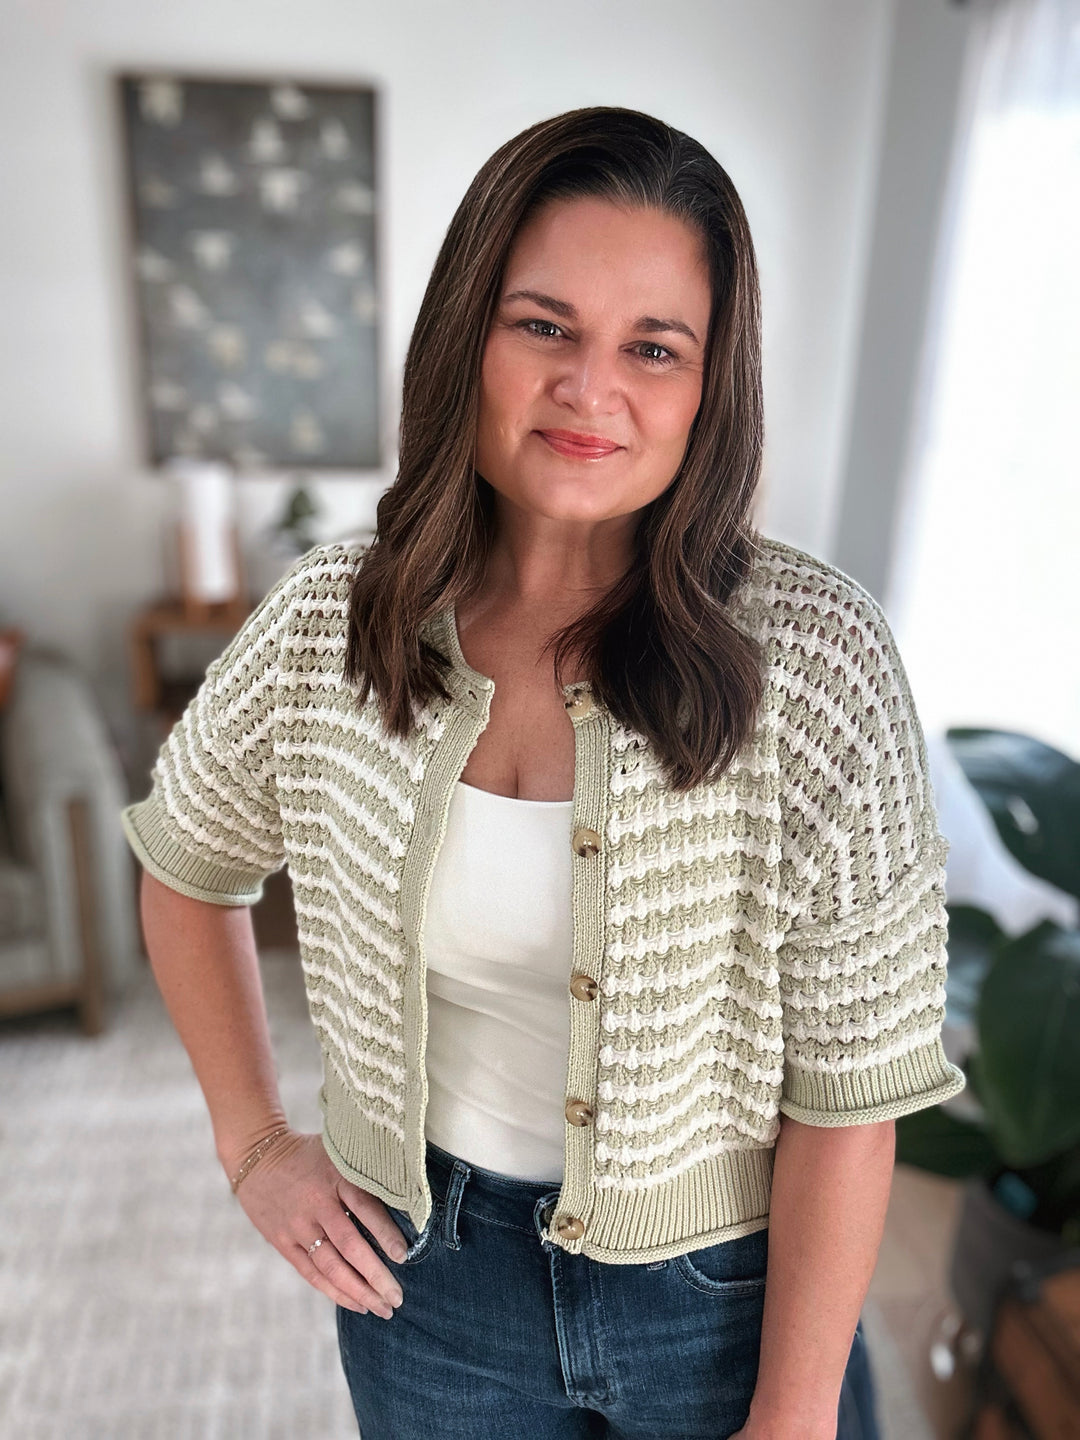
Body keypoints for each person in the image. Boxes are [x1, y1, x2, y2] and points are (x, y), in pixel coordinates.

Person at [121, 106, 965, 1439]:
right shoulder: (336, 619)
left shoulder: (816, 662)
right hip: (431, 1290)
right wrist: (257, 1146)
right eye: (545, 326)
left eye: (654, 347)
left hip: (731, 1301)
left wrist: (793, 1414)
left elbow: (854, 1091)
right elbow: (186, 868)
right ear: (470, 334)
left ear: (708, 384)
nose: (593, 388)